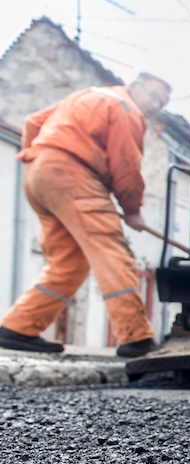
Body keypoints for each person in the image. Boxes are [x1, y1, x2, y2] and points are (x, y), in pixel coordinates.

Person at [0, 71, 171, 358]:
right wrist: (132, 210)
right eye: (154, 96)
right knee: (112, 253)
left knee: (69, 262)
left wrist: (39, 158)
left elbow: (33, 122)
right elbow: (126, 164)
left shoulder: (87, 95)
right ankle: (136, 337)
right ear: (135, 86)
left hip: (38, 175)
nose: (155, 106)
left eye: (162, 104)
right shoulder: (126, 109)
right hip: (74, 176)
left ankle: (18, 328)